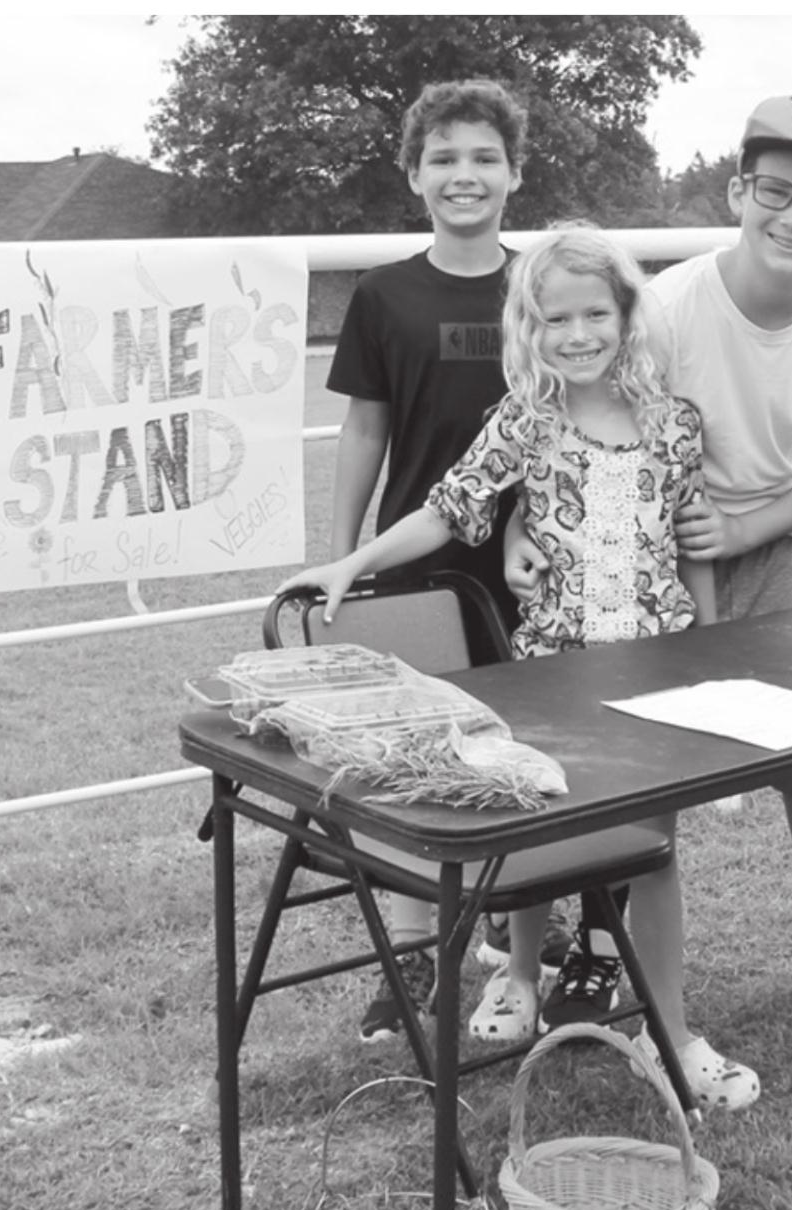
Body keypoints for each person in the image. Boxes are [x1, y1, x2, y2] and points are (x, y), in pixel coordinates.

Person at [276, 225, 760, 1110]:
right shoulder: (525, 421)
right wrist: (351, 564)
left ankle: (673, 1030)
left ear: (625, 316)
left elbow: (694, 548)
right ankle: (520, 973)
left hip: (659, 678)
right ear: (526, 329)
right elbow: (447, 508)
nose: (575, 335)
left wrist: (714, 643)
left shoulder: (674, 423)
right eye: (551, 320)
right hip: (555, 676)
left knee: (653, 854)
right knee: (540, 829)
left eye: (592, 314)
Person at [510, 94, 792, 1057]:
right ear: (736, 193)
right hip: (643, 552)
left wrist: (747, 524)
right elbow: (571, 406)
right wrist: (521, 514)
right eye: (775, 191)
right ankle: (601, 940)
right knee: (642, 762)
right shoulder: (671, 304)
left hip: (769, 550)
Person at [307, 77, 569, 1044]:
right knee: (413, 760)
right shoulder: (383, 294)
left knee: (526, 749)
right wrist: (341, 558)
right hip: (414, 562)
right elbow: (364, 427)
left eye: (484, 157)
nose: (466, 175)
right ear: (414, 174)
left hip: (534, 565)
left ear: (514, 172)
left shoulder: (545, 291)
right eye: (445, 158)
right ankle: (413, 960)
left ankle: (521, 945)